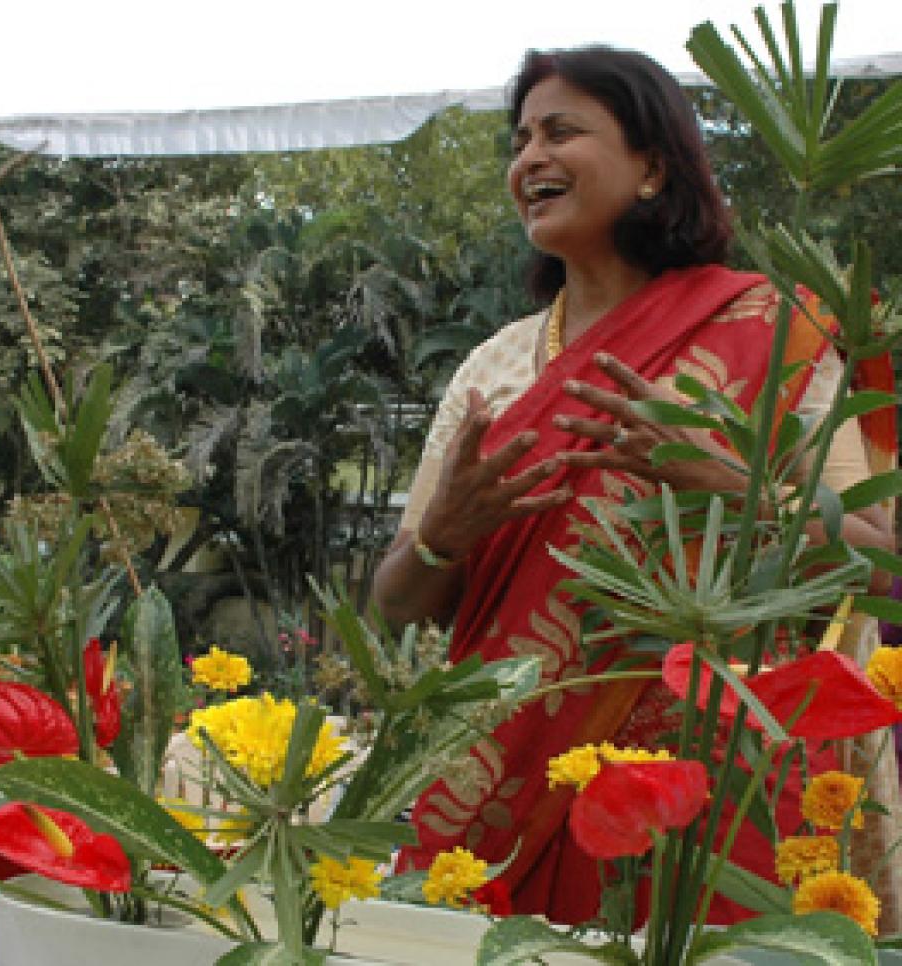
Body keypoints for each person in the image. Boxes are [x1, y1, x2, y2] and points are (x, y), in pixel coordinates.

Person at [372, 46, 900, 926]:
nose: (529, 157)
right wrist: (444, 534)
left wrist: (729, 480)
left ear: (653, 165)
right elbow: (394, 606)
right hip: (516, 794)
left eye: (561, 131)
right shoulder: (495, 370)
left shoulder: (773, 335)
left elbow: (879, 568)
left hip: (726, 788)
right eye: (519, 139)